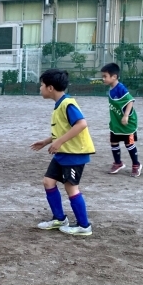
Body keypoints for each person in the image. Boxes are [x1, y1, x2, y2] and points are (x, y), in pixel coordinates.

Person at [30, 69, 95, 236]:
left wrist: (59, 142)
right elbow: (63, 129)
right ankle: (59, 218)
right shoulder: (59, 105)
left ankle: (84, 226)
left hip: (74, 154)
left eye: (42, 85)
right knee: (48, 182)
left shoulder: (68, 104)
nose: (40, 88)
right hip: (63, 153)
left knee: (71, 189)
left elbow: (81, 124)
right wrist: (46, 141)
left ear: (50, 88)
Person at [100, 63, 141, 177]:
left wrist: (126, 115)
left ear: (114, 77)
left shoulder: (120, 88)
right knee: (114, 142)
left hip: (127, 123)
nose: (103, 78)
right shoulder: (111, 88)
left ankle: (136, 165)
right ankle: (118, 163)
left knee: (129, 144)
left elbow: (130, 101)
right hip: (116, 123)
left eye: (105, 76)